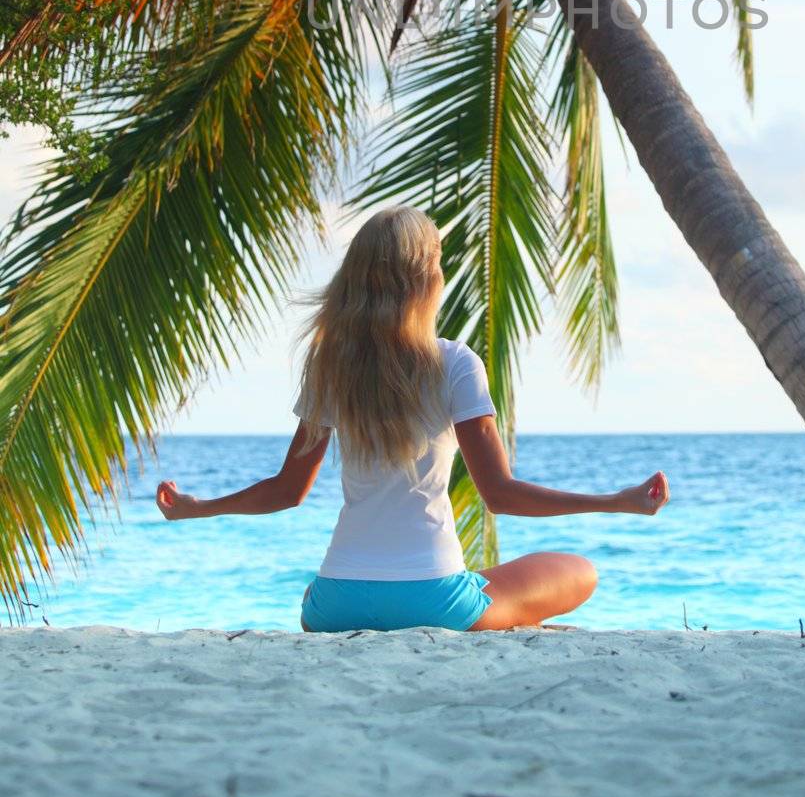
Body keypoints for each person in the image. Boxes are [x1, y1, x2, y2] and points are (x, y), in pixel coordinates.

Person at [156, 204, 670, 631]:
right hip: (434, 605)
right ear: (425, 280)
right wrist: (615, 500)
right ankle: (442, 587)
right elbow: (501, 496)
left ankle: (417, 586)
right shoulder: (454, 364)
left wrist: (195, 508)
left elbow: (287, 491)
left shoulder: (329, 363)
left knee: (338, 586)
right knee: (579, 571)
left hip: (333, 607)